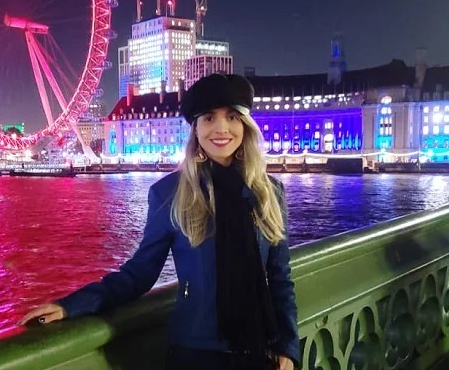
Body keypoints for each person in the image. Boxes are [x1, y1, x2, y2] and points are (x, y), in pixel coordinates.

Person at [19, 74, 300, 370]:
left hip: (261, 351)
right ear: (195, 129)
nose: (221, 128)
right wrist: (71, 305)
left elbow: (280, 278)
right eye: (208, 118)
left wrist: (288, 347)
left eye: (232, 116)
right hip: (195, 353)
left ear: (245, 125)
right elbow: (139, 274)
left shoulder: (269, 192)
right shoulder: (170, 193)